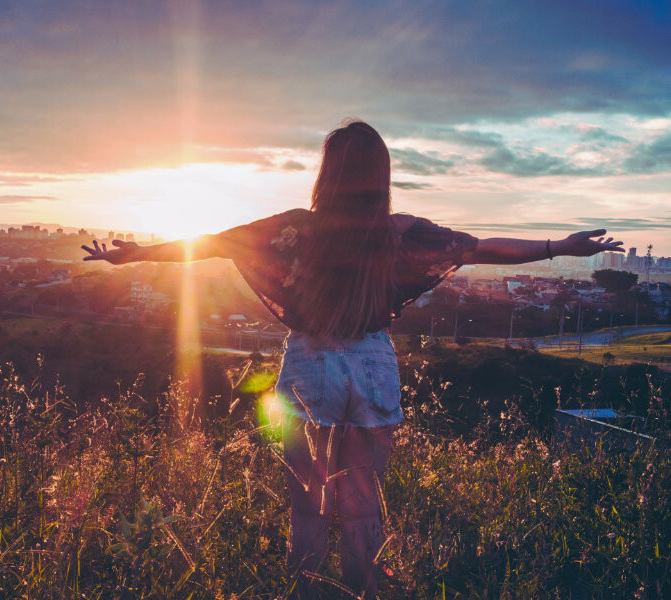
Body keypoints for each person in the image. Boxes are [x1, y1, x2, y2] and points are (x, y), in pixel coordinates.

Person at [81, 120, 624, 597]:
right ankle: (361, 587)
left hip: (309, 363)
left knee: (308, 499)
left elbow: (211, 243)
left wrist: (134, 255)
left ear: (327, 173)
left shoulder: (295, 227)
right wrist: (559, 246)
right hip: (372, 363)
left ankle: (309, 591)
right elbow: (480, 246)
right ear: (380, 175)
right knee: (363, 493)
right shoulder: (399, 231)